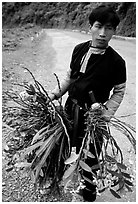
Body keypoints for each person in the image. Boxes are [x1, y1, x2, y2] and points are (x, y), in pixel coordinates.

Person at [49, 5, 127, 202]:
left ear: (114, 31)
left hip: (94, 117)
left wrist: (105, 114)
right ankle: (54, 179)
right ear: (90, 26)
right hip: (70, 108)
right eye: (99, 26)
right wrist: (56, 94)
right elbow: (71, 77)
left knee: (91, 155)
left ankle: (88, 193)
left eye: (108, 28)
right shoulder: (80, 50)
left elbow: (119, 91)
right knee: (59, 145)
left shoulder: (117, 62)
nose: (103, 33)